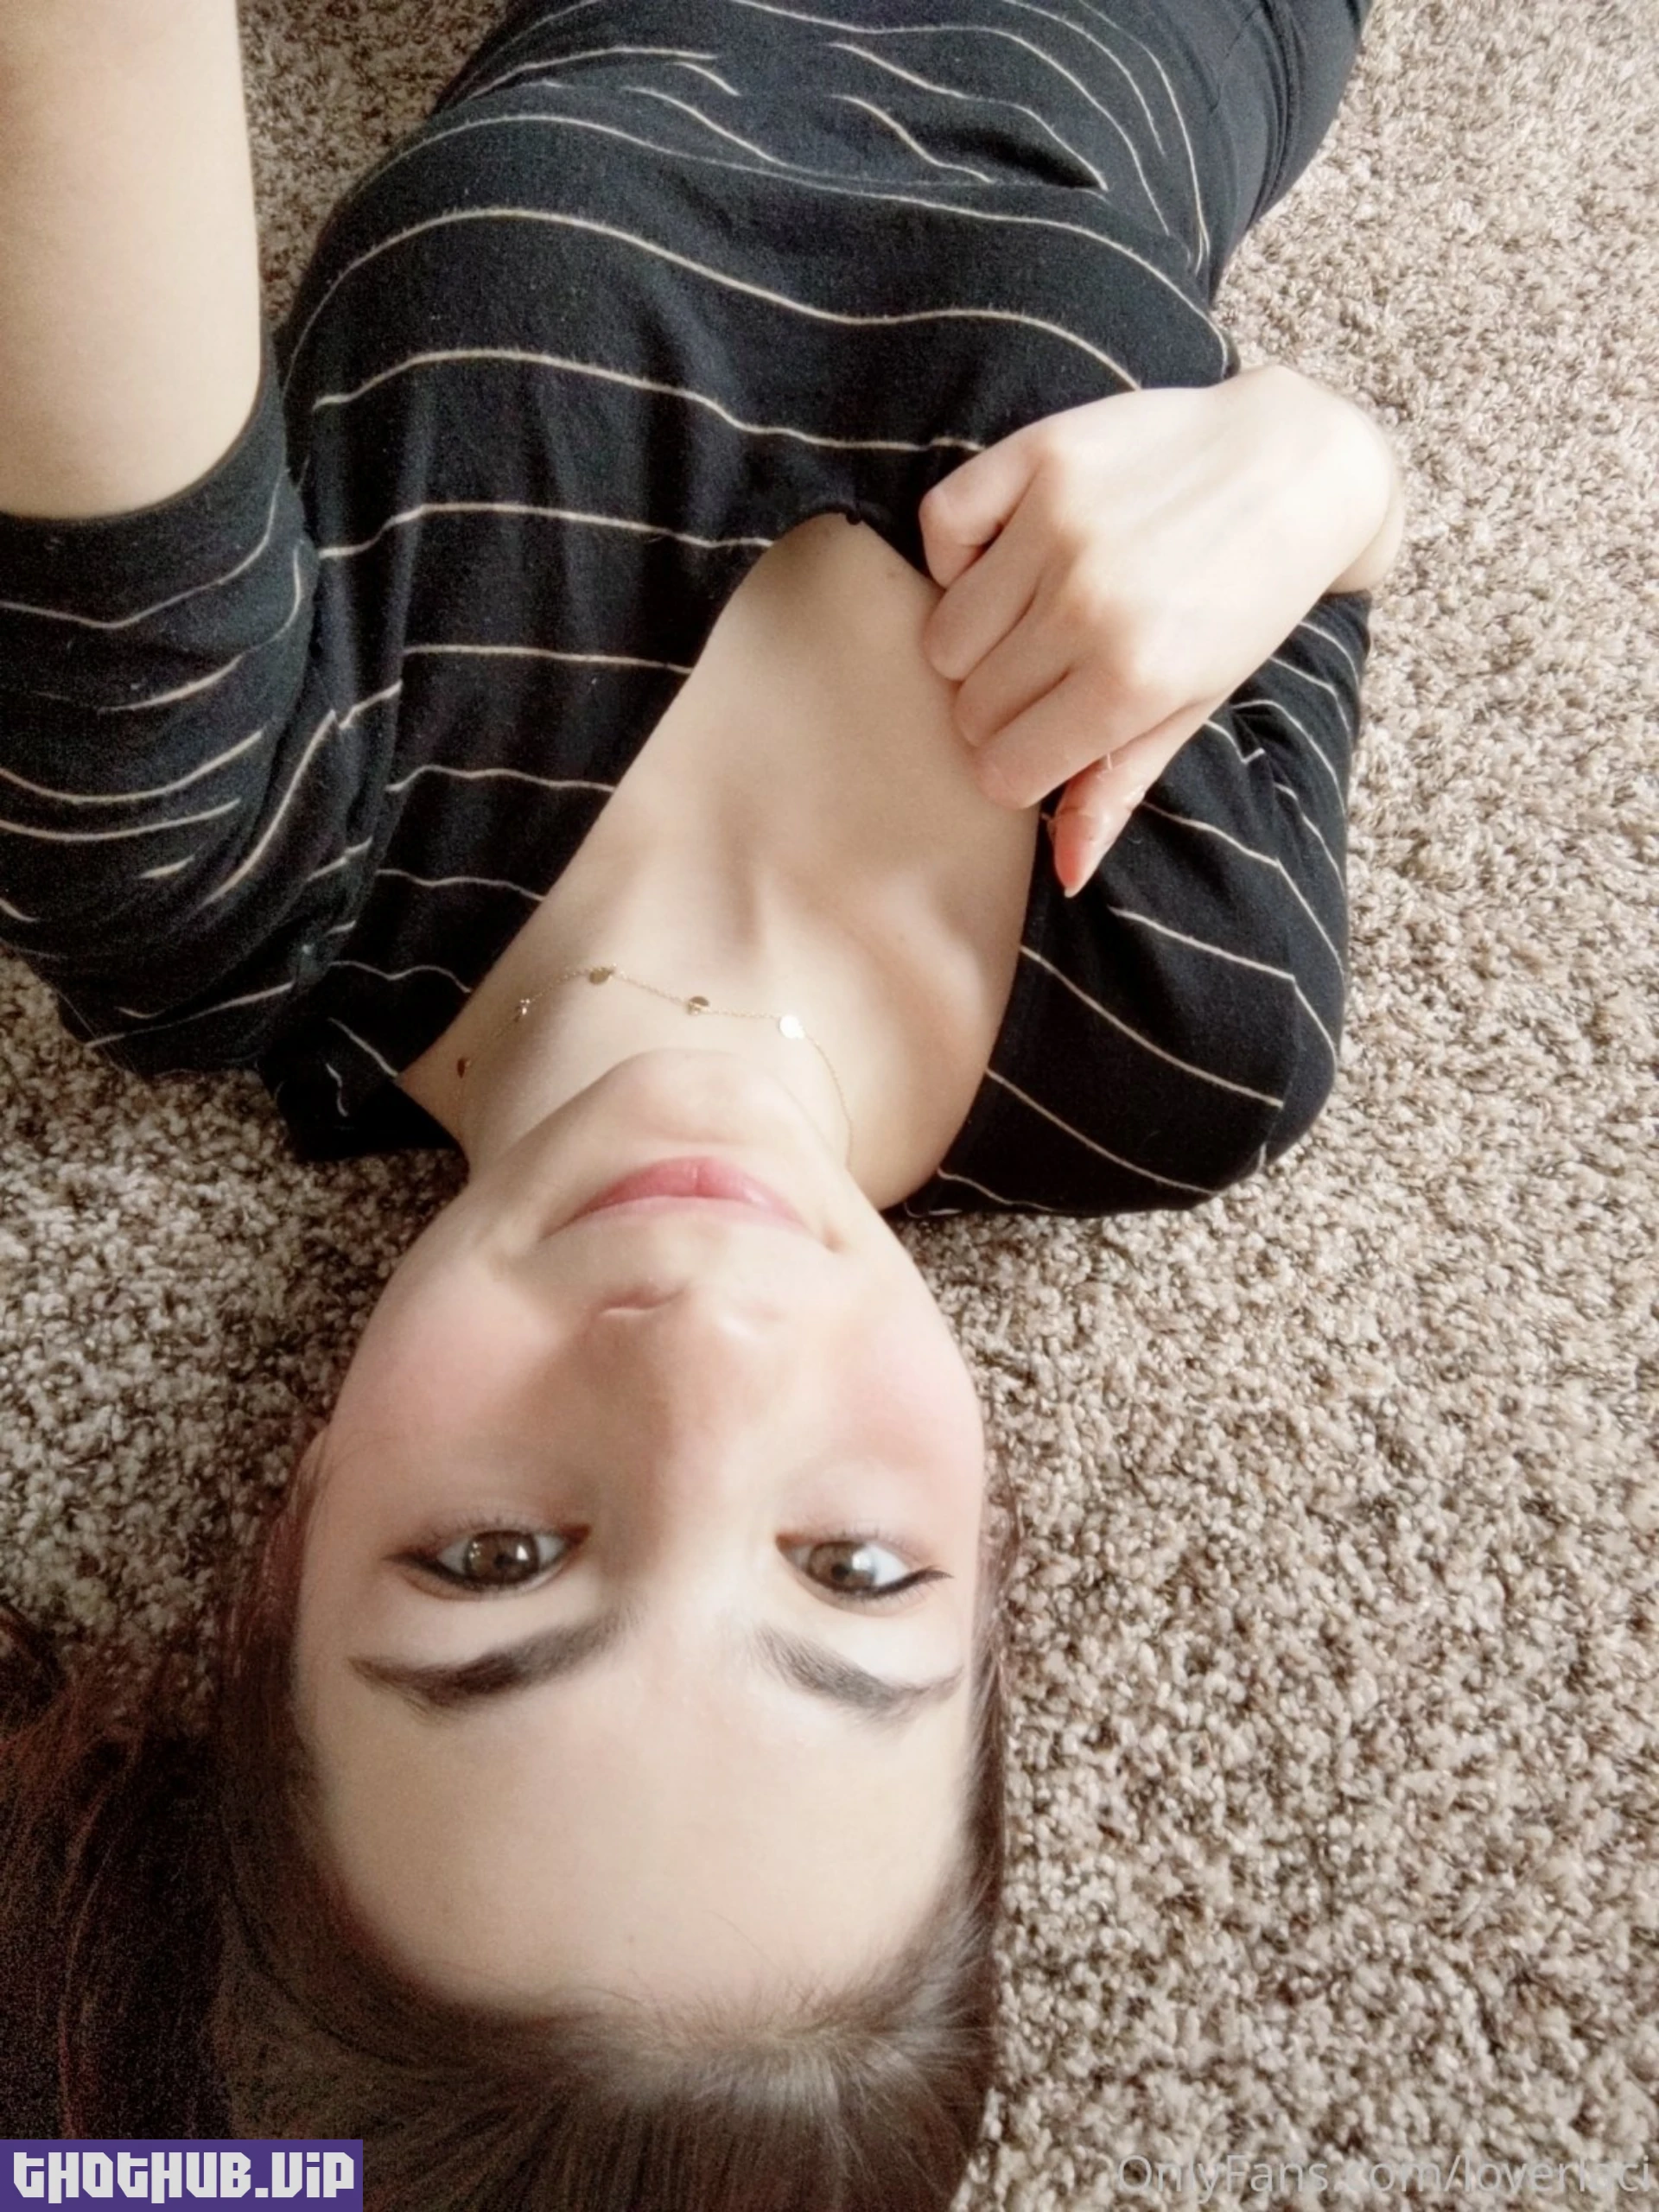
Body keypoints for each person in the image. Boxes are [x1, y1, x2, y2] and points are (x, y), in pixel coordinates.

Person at [0, 0, 1399, 2199]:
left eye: (494, 1559)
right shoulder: (1186, 1021)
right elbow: (1336, 514)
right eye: (853, 1569)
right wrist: (1316, 459)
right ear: (992, 1604)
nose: (710, 1357)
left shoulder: (225, 856)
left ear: (276, 1570)